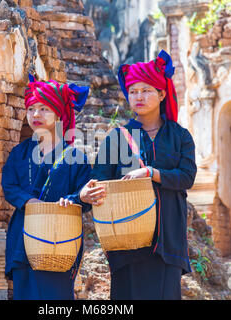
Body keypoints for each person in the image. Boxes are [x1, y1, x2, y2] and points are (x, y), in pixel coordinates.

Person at [80, 50, 197, 300]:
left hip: (167, 241)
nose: (138, 97)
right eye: (133, 91)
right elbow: (99, 179)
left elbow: (187, 176)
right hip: (126, 240)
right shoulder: (117, 138)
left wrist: (151, 173)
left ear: (162, 93)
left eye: (146, 90)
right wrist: (88, 193)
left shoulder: (180, 137)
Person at [1, 75, 91, 300]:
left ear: (59, 114)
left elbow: (84, 196)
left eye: (44, 109)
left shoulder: (75, 157)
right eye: (31, 109)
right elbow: (9, 186)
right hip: (23, 237)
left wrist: (73, 199)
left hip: (59, 240)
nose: (36, 115)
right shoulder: (19, 153)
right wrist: (30, 201)